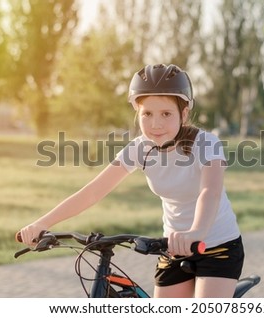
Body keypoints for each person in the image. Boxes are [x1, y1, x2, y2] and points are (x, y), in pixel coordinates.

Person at [18, 63, 244, 298]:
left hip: (218, 246)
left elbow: (210, 191)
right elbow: (93, 191)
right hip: (173, 248)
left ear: (184, 113)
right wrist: (42, 223)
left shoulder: (206, 143)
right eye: (147, 114)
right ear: (138, 113)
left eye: (166, 114)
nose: (155, 124)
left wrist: (197, 231)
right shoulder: (140, 148)